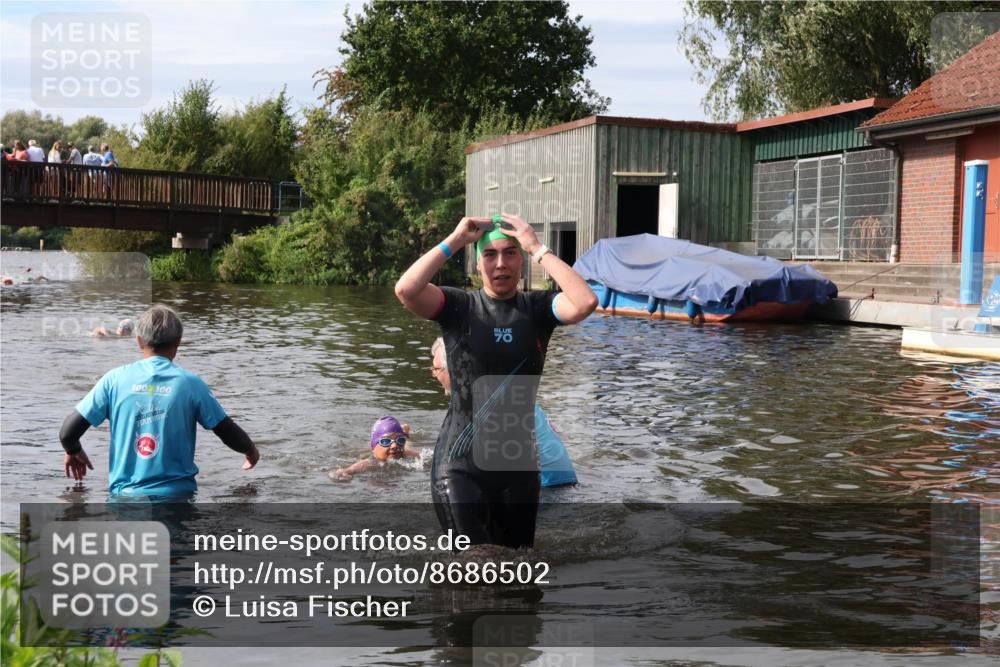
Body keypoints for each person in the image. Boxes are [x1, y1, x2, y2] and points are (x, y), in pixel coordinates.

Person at [395, 212, 597, 549]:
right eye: (489, 255)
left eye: (510, 253)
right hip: (460, 466)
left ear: (522, 261)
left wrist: (538, 246)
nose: (500, 263)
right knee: (474, 566)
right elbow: (406, 289)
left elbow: (585, 301)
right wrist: (456, 241)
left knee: (518, 575)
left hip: (518, 470)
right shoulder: (458, 306)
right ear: (477, 265)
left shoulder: (538, 310)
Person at [59, 304, 260, 497]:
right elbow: (225, 430)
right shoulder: (190, 384)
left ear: (139, 340)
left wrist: (73, 449)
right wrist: (250, 451)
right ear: (178, 341)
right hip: (177, 499)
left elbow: (68, 433)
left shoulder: (113, 380)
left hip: (125, 499)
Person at [430, 337, 577, 488]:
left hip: (544, 490)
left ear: (454, 370)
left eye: (436, 369)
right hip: (565, 482)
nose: (433, 375)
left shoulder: (478, 402)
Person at [328, 416, 420, 482]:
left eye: (400, 440)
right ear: (374, 447)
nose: (395, 445)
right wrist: (343, 472)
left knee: (408, 444)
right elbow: (349, 470)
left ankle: (404, 433)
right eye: (386, 441)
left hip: (406, 447)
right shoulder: (370, 462)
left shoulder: (408, 453)